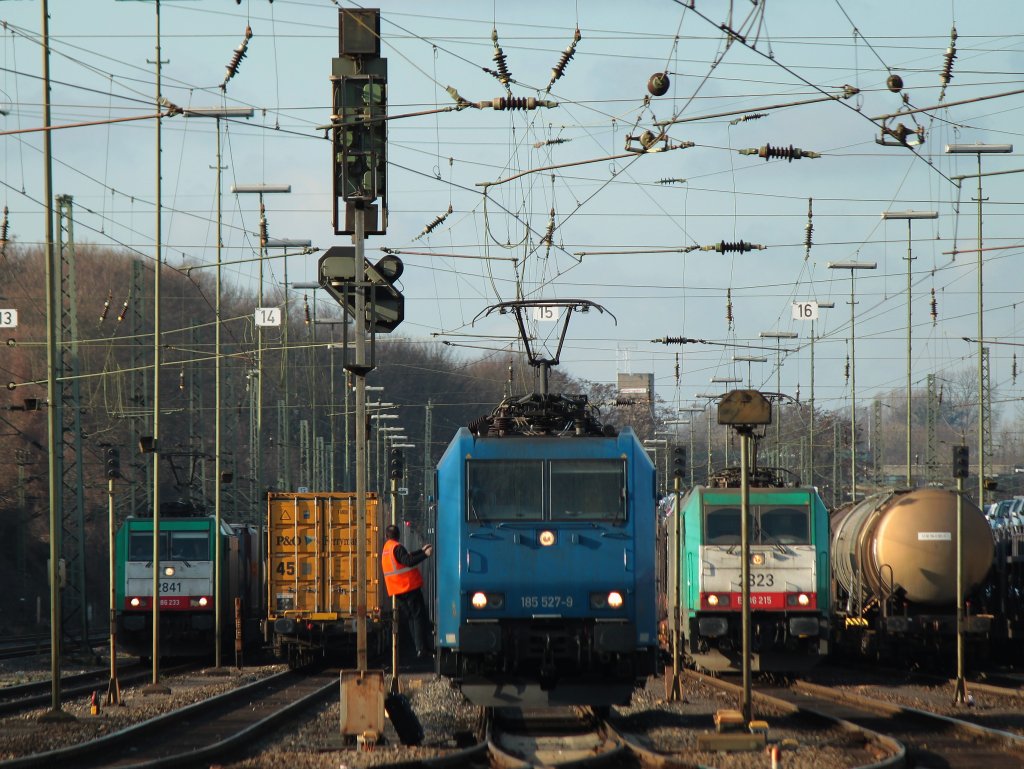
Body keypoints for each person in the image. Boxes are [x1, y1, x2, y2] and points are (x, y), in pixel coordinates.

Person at [381, 524, 434, 659]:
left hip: (397, 591)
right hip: (408, 588)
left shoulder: (386, 550)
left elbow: (405, 557)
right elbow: (408, 560)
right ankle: (422, 648)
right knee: (419, 616)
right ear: (398, 536)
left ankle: (419, 647)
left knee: (411, 617)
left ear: (386, 536)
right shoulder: (397, 547)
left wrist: (420, 551)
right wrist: (425, 555)